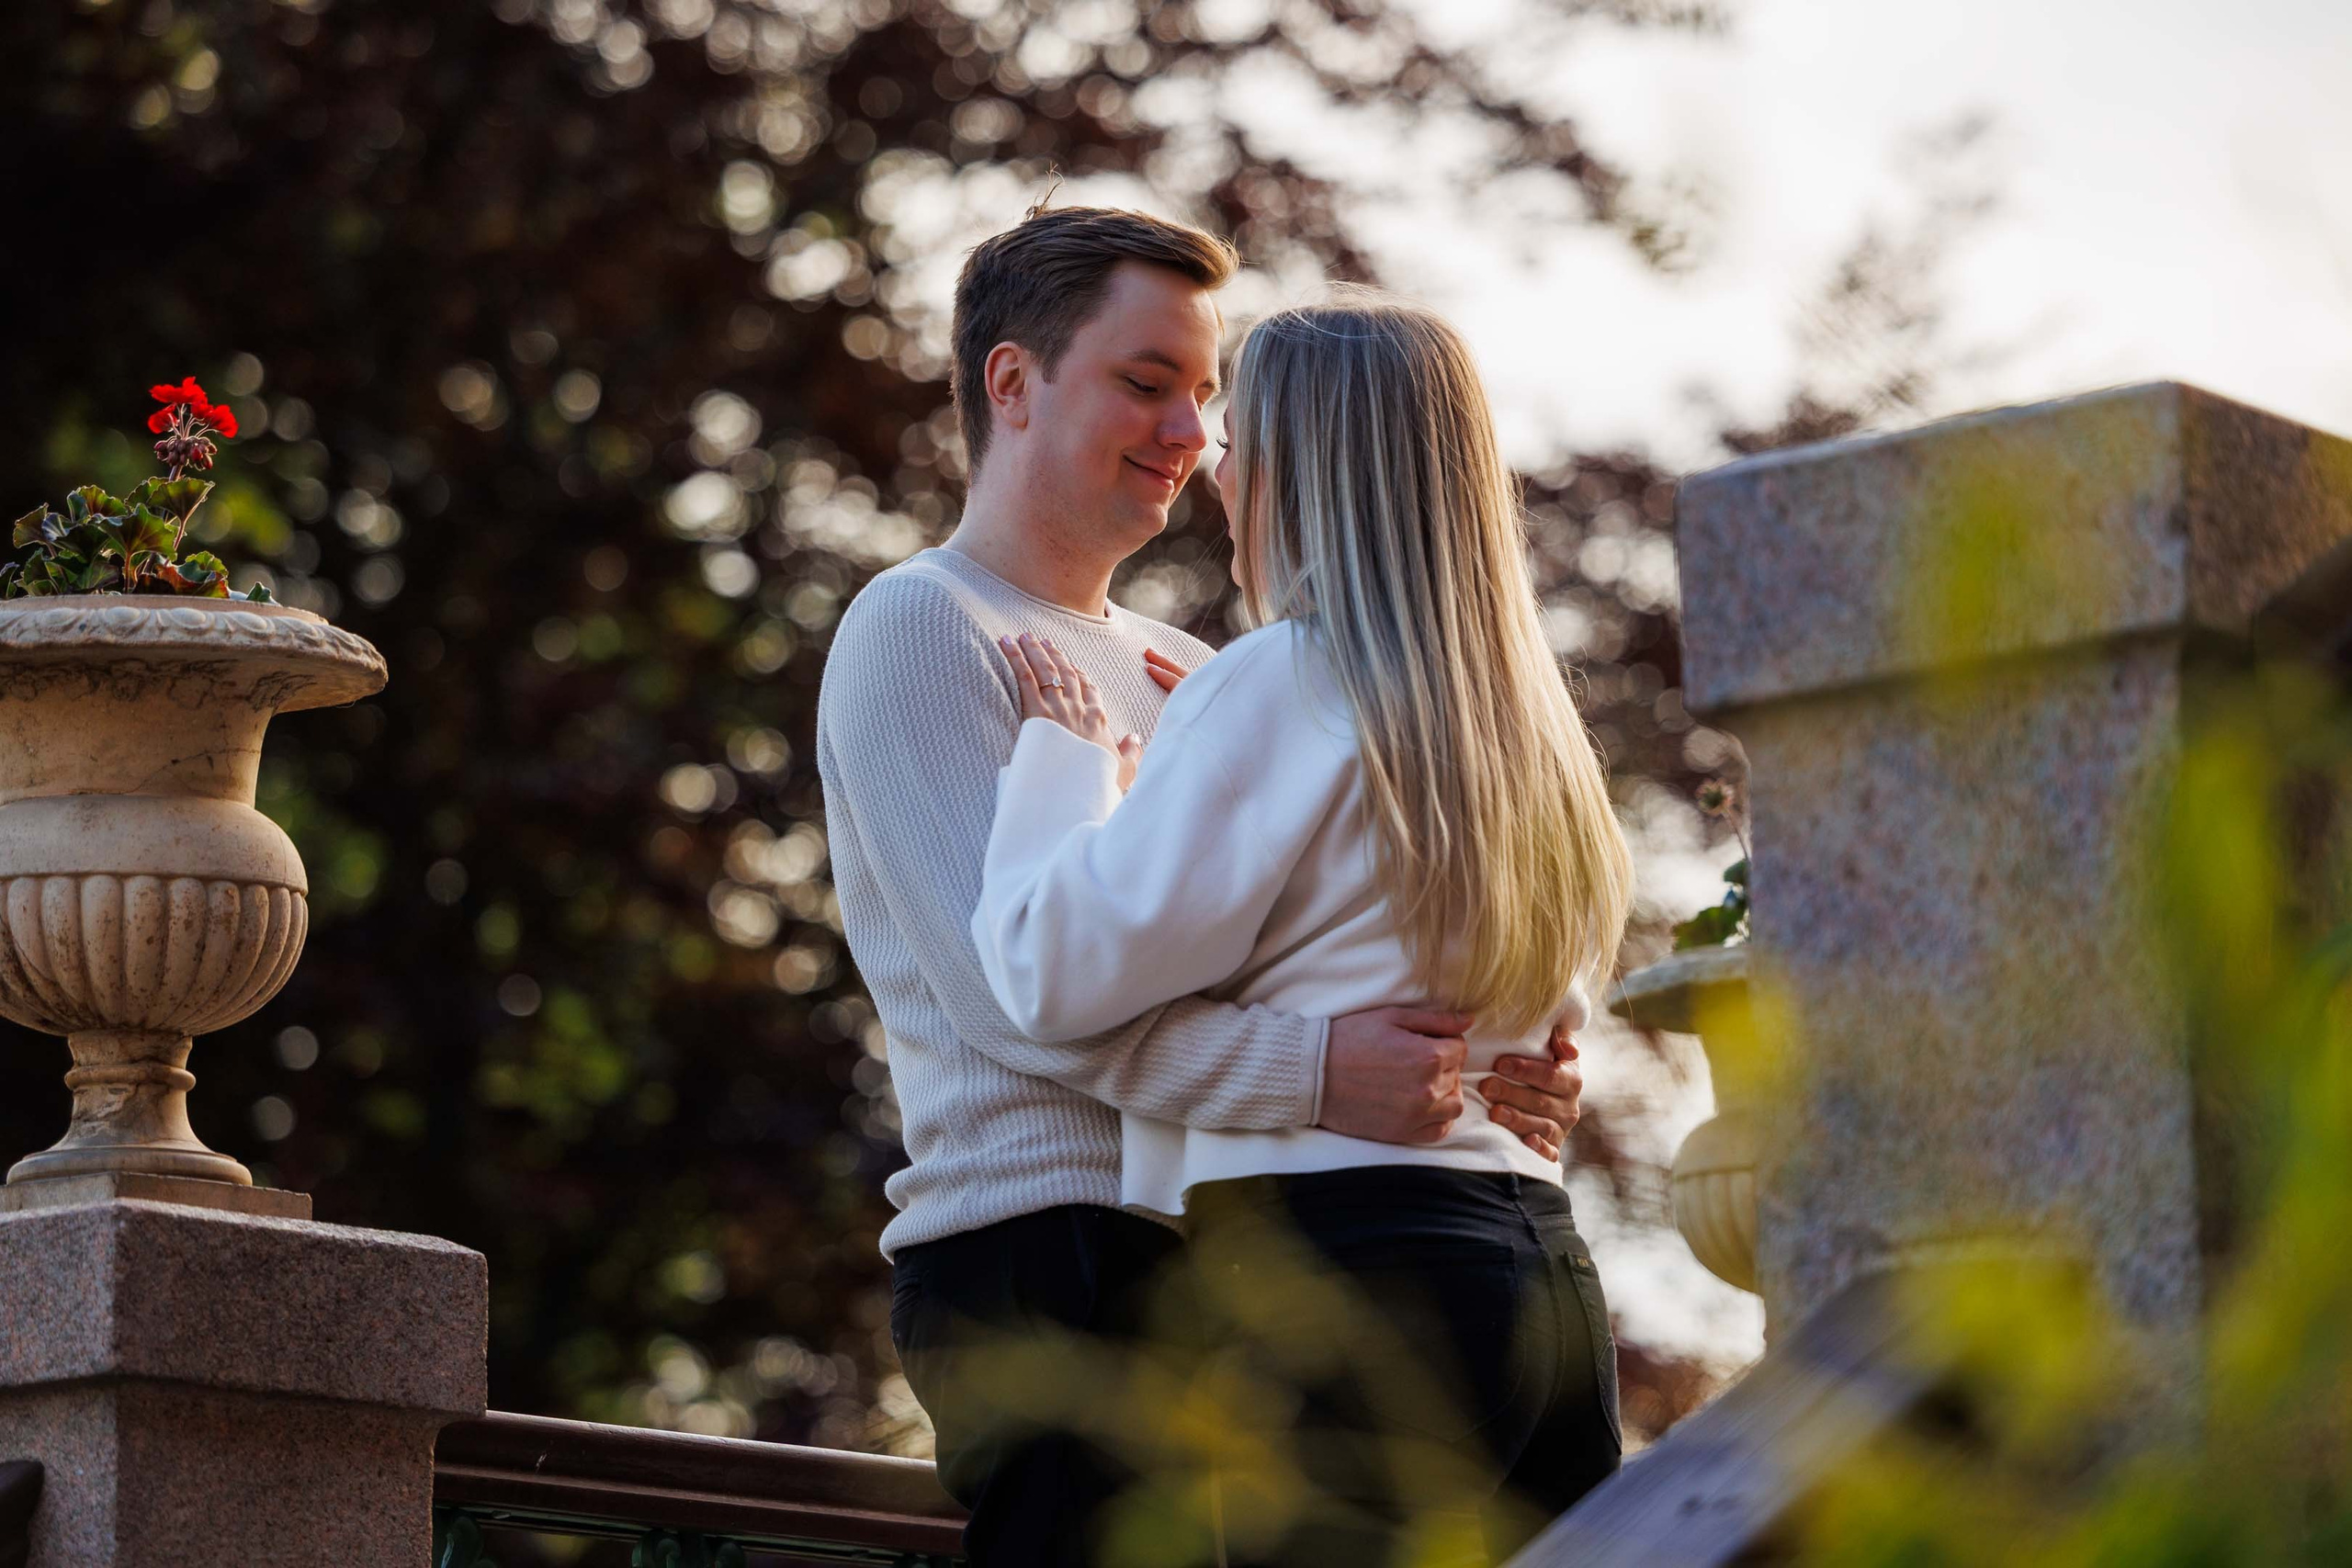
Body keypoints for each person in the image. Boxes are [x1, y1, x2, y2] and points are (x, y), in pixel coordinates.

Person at [814, 208, 1593, 1567]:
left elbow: (1305, 942)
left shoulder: (1201, 662)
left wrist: (1487, 1062)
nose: (1196, 434)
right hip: (1045, 1254)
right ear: (1013, 383)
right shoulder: (923, 625)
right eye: (1146, 381)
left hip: (1235, 1253)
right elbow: (1014, 1005)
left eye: (1209, 393)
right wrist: (1316, 1076)